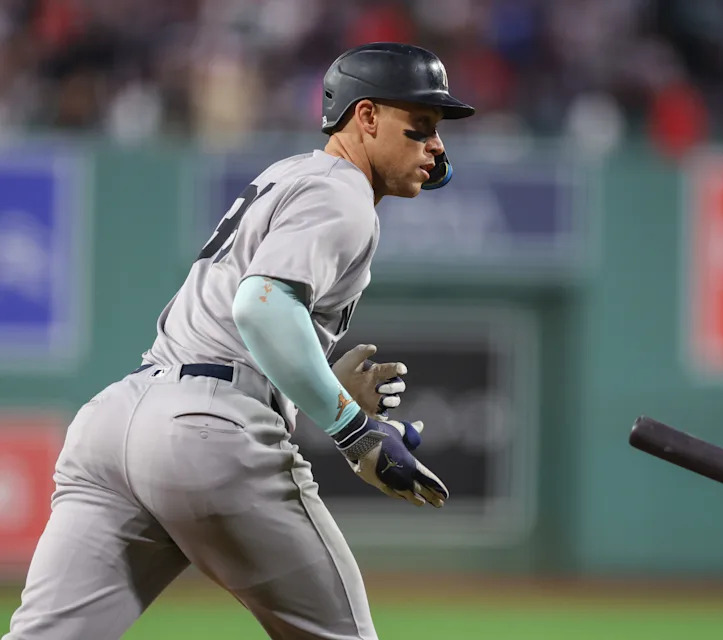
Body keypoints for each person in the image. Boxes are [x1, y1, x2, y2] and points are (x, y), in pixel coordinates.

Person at [4, 42, 475, 640]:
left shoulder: (292, 172)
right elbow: (261, 306)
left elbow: (243, 332)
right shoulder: (343, 193)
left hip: (116, 423)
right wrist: (354, 431)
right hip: (204, 428)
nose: (437, 148)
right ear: (367, 117)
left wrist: (324, 385)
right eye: (422, 127)